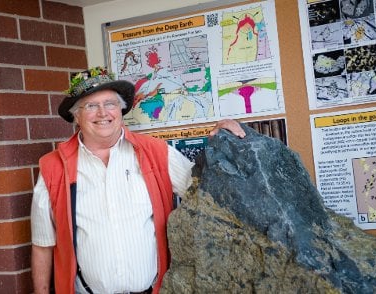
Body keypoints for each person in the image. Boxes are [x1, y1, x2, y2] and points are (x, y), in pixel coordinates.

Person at [30, 67, 245, 294]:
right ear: (76, 116)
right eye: (91, 106)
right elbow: (43, 244)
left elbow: (204, 191)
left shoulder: (156, 152)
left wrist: (224, 142)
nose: (103, 113)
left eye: (110, 103)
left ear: (121, 110)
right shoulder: (53, 167)